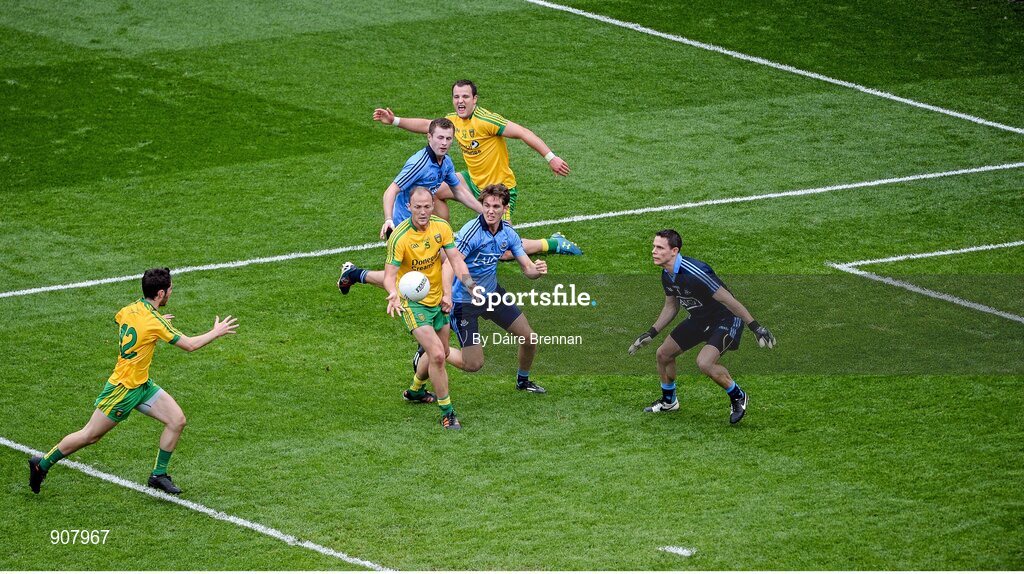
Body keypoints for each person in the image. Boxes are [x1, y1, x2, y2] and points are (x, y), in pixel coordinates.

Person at [28, 268, 238, 495]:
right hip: (123, 389)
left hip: (142, 385)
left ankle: (158, 475)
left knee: (177, 420)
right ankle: (42, 463)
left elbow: (122, 322)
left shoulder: (130, 310)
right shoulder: (154, 321)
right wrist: (216, 332)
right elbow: (189, 345)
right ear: (160, 294)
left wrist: (151, 326)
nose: (170, 293)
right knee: (90, 435)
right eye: (169, 290)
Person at [372, 79, 582, 257]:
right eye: (456, 97)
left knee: (505, 252)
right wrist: (394, 120)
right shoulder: (453, 120)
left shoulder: (486, 120)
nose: (460, 101)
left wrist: (550, 157)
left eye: (465, 97)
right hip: (472, 180)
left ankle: (553, 243)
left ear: (474, 99)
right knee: (432, 193)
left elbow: (523, 132)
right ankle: (444, 240)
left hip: (499, 190)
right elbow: (427, 124)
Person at [627, 230, 776, 424]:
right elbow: (671, 306)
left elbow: (729, 301)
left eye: (659, 247)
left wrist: (755, 327)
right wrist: (651, 332)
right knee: (663, 354)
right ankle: (669, 401)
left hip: (726, 319)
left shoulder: (696, 272)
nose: (653, 251)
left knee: (705, 363)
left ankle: (738, 395)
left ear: (674, 251)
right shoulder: (667, 274)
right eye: (654, 246)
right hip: (700, 319)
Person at [338, 118, 482, 294]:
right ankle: (355, 274)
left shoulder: (445, 162)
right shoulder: (418, 164)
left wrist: (484, 212)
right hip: (405, 227)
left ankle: (464, 290)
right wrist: (389, 220)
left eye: (448, 138)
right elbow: (390, 191)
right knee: (408, 281)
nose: (444, 143)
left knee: (449, 259)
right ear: (429, 137)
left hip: (426, 225)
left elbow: (459, 191)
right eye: (440, 138)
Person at [432, 184, 548, 393]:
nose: (490, 211)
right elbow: (450, 264)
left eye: (496, 206)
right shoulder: (471, 232)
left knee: (529, 338)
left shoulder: (509, 234)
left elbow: (527, 269)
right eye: (486, 205)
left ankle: (523, 381)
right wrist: (469, 288)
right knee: (473, 364)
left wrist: (537, 270)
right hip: (464, 302)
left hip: (492, 295)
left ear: (505, 208)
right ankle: (433, 348)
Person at [384, 187, 476, 430]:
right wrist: (393, 293)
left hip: (437, 300)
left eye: (427, 206)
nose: (423, 211)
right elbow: (389, 274)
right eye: (418, 207)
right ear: (409, 207)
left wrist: (467, 286)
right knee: (436, 354)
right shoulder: (400, 237)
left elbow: (455, 259)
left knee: (443, 352)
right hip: (412, 303)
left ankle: (415, 390)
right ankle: (447, 412)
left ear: (432, 205)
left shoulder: (441, 227)